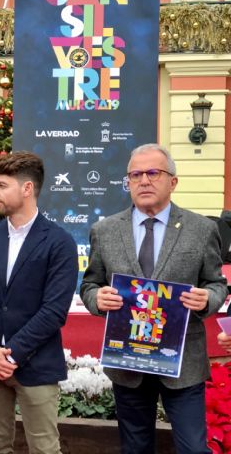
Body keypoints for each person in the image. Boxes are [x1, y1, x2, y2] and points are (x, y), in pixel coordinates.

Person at [80, 143, 227, 454]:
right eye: (135, 175)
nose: (143, 181)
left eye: (153, 173)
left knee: (193, 449)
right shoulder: (104, 230)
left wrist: (207, 300)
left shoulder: (202, 229)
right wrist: (97, 298)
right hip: (128, 362)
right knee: (135, 448)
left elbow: (216, 284)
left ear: (173, 181)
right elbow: (90, 284)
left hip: (183, 361)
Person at [0, 152, 78, 454]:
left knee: (45, 449)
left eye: (1, 185)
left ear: (27, 189)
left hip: (36, 364)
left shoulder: (59, 242)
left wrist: (11, 355)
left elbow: (54, 311)